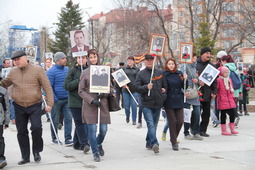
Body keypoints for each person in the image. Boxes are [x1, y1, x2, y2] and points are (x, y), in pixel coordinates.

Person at [0, 50, 54, 165]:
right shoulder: (13, 72)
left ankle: (36, 151)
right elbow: (4, 83)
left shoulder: (38, 70)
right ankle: (25, 156)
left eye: (18, 60)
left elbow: (47, 86)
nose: (16, 62)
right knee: (21, 132)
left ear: (25, 58)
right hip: (19, 106)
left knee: (36, 128)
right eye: (14, 60)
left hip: (34, 104)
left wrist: (50, 103)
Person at [78, 49, 113, 162]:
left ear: (98, 57)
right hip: (90, 105)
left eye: (95, 56)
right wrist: (91, 100)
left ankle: (98, 144)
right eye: (91, 57)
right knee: (92, 130)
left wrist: (105, 92)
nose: (93, 59)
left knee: (103, 129)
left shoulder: (104, 70)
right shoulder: (85, 73)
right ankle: (95, 152)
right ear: (88, 59)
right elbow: (81, 90)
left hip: (102, 104)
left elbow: (111, 88)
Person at [135, 54, 167, 154]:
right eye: (147, 60)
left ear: (154, 61)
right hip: (146, 104)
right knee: (150, 124)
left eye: (151, 60)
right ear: (145, 61)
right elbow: (136, 87)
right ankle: (154, 143)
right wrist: (145, 87)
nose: (149, 61)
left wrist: (163, 95)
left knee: (154, 125)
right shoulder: (141, 74)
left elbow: (165, 86)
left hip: (158, 103)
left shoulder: (160, 72)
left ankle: (148, 141)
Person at [64, 56, 90, 153]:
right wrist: (79, 80)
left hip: (86, 100)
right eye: (79, 58)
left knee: (84, 122)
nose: (81, 60)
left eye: (83, 58)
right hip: (74, 102)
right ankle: (85, 143)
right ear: (76, 60)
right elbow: (66, 85)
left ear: (86, 59)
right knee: (79, 122)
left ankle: (77, 143)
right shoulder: (72, 71)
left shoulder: (89, 70)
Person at [47, 52, 73, 145]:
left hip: (67, 99)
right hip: (56, 100)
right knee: (55, 119)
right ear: (57, 60)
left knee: (68, 118)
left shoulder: (67, 70)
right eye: (63, 58)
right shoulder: (51, 72)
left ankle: (68, 138)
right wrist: (54, 99)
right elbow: (48, 87)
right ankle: (54, 137)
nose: (65, 60)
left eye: (65, 58)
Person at [163, 58, 186, 151]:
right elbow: (162, 85)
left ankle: (174, 137)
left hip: (179, 99)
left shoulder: (179, 73)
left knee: (180, 121)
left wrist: (185, 79)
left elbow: (184, 85)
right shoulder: (164, 74)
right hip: (169, 100)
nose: (171, 65)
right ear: (166, 65)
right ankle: (174, 141)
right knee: (172, 122)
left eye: (172, 64)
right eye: (169, 64)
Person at [180, 53, 203, 140]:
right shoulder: (184, 67)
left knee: (197, 112)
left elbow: (198, 79)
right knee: (187, 113)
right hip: (187, 93)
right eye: (194, 57)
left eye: (196, 57)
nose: (195, 58)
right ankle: (186, 132)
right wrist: (183, 90)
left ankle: (196, 132)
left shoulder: (195, 67)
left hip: (195, 93)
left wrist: (197, 80)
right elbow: (180, 80)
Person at [196, 47, 217, 137]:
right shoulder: (195, 64)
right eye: (206, 53)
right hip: (197, 92)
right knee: (196, 112)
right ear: (202, 54)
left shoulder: (212, 66)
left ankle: (203, 130)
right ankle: (195, 130)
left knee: (206, 112)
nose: (208, 55)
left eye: (209, 53)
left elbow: (214, 81)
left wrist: (214, 91)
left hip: (208, 92)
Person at [221, 55, 242, 125]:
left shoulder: (225, 68)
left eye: (222, 61)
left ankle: (235, 117)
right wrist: (240, 91)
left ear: (224, 61)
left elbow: (226, 80)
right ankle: (234, 119)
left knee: (227, 107)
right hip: (236, 90)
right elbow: (239, 80)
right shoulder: (235, 68)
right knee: (234, 105)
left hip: (229, 91)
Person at [217, 66, 238, 135]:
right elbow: (217, 89)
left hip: (230, 99)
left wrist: (233, 96)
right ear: (222, 73)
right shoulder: (219, 80)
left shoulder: (229, 80)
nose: (227, 73)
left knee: (233, 114)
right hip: (222, 99)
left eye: (227, 72)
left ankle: (232, 128)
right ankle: (223, 130)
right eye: (225, 72)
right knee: (223, 115)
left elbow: (231, 89)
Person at [122, 56, 140, 125]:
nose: (129, 61)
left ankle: (134, 119)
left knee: (134, 105)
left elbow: (139, 79)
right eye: (128, 60)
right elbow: (120, 78)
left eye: (131, 60)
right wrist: (123, 84)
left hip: (134, 90)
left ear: (133, 61)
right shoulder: (124, 69)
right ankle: (127, 115)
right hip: (126, 89)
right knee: (126, 105)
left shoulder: (137, 69)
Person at [0, 86, 10, 169]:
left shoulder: (3, 91)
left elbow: (6, 107)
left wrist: (6, 121)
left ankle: (1, 158)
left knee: (0, 139)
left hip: (0, 119)